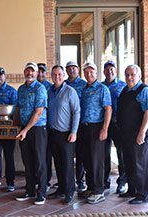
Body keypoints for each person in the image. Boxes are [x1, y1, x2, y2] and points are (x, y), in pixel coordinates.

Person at [117, 64, 148, 204]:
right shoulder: (126, 90)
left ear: (139, 76)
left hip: (140, 133)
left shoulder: (144, 90)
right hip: (127, 133)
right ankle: (132, 190)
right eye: (127, 74)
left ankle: (143, 194)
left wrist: (142, 132)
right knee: (129, 162)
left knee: (140, 163)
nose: (129, 77)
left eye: (132, 74)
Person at [15, 62, 48, 205]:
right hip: (23, 129)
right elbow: (18, 108)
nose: (30, 74)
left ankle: (41, 193)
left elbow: (39, 112)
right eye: (27, 71)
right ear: (24, 72)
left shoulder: (40, 89)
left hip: (37, 129)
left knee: (40, 162)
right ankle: (30, 190)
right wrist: (16, 127)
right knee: (27, 161)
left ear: (36, 74)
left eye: (32, 71)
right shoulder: (21, 89)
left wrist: (25, 130)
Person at [47, 65, 80, 204]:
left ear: (63, 75)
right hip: (53, 133)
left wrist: (74, 131)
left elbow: (76, 112)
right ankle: (61, 189)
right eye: (54, 74)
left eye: (59, 74)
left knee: (67, 164)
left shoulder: (70, 91)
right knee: (58, 164)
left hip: (67, 134)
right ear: (51, 76)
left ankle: (69, 191)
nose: (57, 77)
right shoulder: (49, 91)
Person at [80, 62, 112, 204]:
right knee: (87, 159)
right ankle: (91, 187)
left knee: (97, 160)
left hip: (97, 127)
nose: (89, 74)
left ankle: (99, 191)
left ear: (96, 72)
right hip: (84, 128)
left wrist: (104, 129)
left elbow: (108, 109)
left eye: (91, 72)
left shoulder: (102, 88)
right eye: (86, 72)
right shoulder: (84, 89)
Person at [102, 60, 127, 193]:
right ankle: (105, 181)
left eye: (112, 69)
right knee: (104, 154)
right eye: (107, 69)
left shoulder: (123, 86)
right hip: (104, 125)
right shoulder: (100, 86)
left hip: (118, 124)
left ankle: (122, 182)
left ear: (115, 71)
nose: (109, 71)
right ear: (103, 71)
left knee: (120, 154)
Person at [65, 61, 87, 193]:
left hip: (80, 124)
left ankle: (80, 181)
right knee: (67, 154)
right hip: (67, 125)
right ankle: (67, 181)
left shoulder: (84, 84)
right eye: (69, 69)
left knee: (80, 154)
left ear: (78, 70)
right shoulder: (64, 84)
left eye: (74, 68)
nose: (72, 70)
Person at [37, 63, 52, 191]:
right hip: (36, 126)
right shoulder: (31, 86)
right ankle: (37, 180)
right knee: (37, 155)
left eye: (43, 72)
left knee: (46, 154)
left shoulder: (51, 87)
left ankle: (46, 182)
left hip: (49, 125)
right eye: (39, 72)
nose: (41, 74)